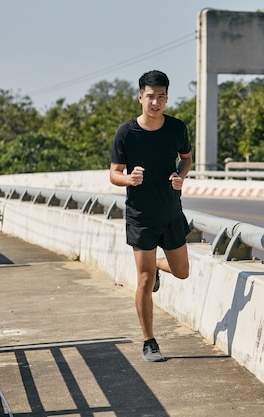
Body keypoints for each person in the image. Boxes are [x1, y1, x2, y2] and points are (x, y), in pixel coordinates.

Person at [109, 70, 192, 362]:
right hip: (141, 217)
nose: (155, 102)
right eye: (150, 96)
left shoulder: (177, 128)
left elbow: (186, 159)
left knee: (182, 273)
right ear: (140, 96)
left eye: (161, 96)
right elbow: (113, 174)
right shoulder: (127, 133)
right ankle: (149, 341)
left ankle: (157, 266)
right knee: (144, 280)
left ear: (167, 98)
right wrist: (128, 179)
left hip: (170, 213)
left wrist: (181, 177)